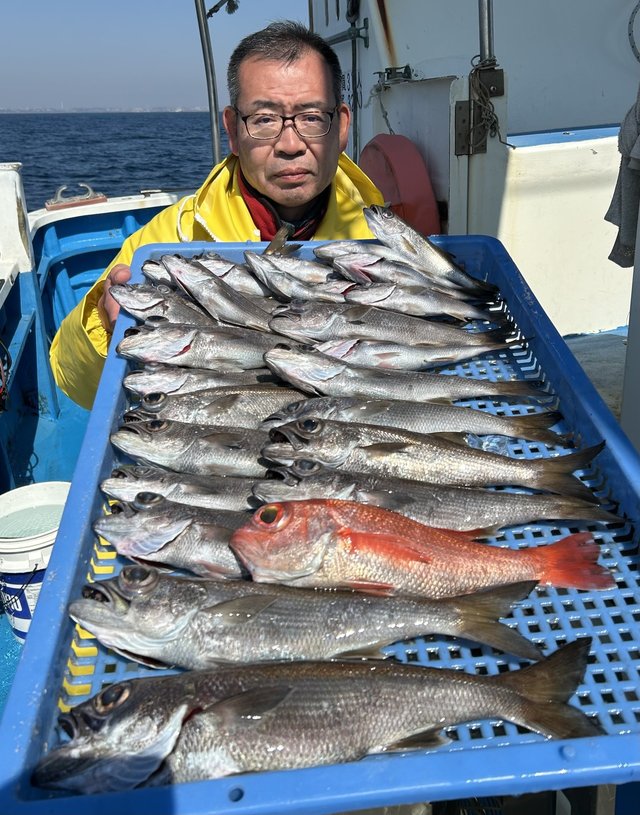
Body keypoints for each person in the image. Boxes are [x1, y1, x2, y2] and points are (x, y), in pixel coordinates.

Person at [49, 20, 385, 409]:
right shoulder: (173, 237)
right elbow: (71, 380)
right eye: (265, 119)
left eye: (311, 117)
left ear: (341, 125)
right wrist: (107, 329)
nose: (290, 144)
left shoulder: (386, 242)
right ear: (232, 129)